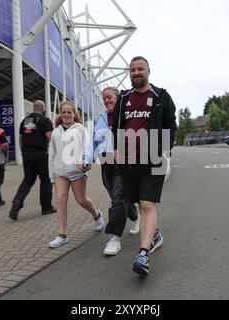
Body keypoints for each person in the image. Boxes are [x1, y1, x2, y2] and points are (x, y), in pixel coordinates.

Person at [112, 56, 176, 276]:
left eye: (140, 69)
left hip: (153, 159)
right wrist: (118, 150)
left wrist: (166, 151)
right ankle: (154, 236)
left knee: (147, 204)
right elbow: (117, 128)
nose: (136, 73)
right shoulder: (123, 99)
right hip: (129, 162)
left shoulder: (161, 96)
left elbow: (171, 125)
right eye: (132, 70)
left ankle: (142, 254)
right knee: (140, 202)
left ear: (149, 71)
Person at [82, 87, 139, 256]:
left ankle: (115, 238)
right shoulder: (101, 118)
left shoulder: (127, 115)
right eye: (104, 98)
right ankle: (136, 218)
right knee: (118, 196)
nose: (106, 101)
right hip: (106, 162)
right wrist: (86, 159)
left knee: (118, 198)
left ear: (118, 98)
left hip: (123, 161)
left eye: (109, 97)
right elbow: (93, 141)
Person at [48, 101, 104, 248]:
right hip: (59, 172)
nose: (66, 115)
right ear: (60, 114)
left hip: (77, 171)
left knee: (81, 200)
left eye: (69, 112)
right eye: (64, 112)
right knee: (60, 200)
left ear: (74, 114)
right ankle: (62, 235)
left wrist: (87, 163)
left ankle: (96, 214)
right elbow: (52, 154)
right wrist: (51, 175)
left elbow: (88, 147)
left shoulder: (80, 129)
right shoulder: (56, 132)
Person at [9, 100, 56, 220]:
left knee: (28, 180)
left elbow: (20, 137)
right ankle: (46, 208)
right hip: (41, 154)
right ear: (43, 109)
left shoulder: (24, 121)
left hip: (26, 154)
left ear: (34, 108)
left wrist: (23, 151)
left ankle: (17, 201)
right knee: (46, 180)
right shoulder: (45, 120)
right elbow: (50, 137)